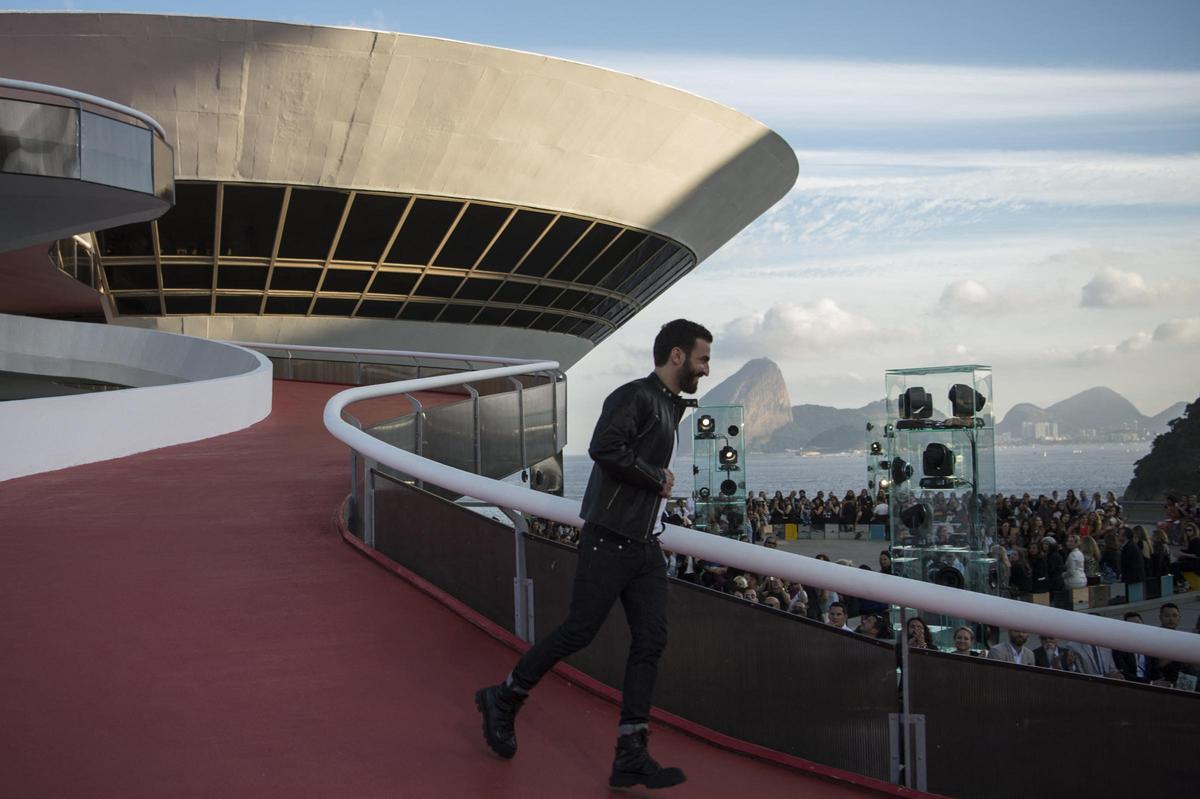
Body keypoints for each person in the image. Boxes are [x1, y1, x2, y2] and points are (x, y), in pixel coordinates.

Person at [475, 319, 711, 790]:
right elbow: (603, 447)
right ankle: (504, 698)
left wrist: (653, 486)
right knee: (579, 631)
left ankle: (631, 752)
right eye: (703, 358)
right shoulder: (636, 397)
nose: (707, 369)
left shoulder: (667, 406)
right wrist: (655, 476)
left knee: (651, 641)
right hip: (609, 539)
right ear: (678, 356)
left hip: (644, 546)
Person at [1111, 611, 1163, 684]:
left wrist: (1160, 680)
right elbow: (1124, 673)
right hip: (1131, 686)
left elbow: (1155, 668)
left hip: (1151, 686)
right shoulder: (1120, 648)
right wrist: (1150, 682)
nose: (1136, 627)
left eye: (1138, 623)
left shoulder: (1149, 645)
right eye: (1131, 625)